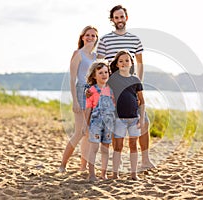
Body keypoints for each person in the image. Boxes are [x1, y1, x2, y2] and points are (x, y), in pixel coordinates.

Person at [97, 4, 155, 170]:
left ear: (126, 18)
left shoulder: (135, 39)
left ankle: (145, 160)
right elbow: (99, 64)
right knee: (115, 123)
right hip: (112, 87)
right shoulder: (105, 40)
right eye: (116, 17)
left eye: (122, 17)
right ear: (112, 20)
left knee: (144, 121)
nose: (119, 20)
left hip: (131, 87)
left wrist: (138, 87)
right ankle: (117, 160)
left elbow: (140, 63)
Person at [58, 25, 98, 173]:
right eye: (87, 35)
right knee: (79, 132)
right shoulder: (78, 53)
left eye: (93, 36)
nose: (90, 38)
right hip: (81, 91)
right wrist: (74, 100)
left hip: (93, 94)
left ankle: (83, 167)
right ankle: (63, 164)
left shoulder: (95, 56)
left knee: (88, 133)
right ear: (82, 37)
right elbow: (72, 79)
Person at [108, 50, 145, 180]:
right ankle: (115, 174)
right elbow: (101, 88)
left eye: (127, 60)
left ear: (131, 63)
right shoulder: (112, 79)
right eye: (121, 61)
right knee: (118, 146)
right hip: (119, 119)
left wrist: (141, 118)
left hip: (134, 118)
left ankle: (134, 174)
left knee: (133, 145)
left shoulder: (135, 80)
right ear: (117, 64)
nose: (124, 63)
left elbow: (142, 101)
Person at [85, 61, 115, 181]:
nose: (104, 75)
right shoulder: (92, 90)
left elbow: (115, 107)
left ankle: (103, 174)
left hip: (109, 124)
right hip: (95, 124)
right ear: (94, 75)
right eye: (100, 73)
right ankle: (91, 174)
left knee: (105, 149)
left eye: (106, 72)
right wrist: (85, 125)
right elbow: (88, 109)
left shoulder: (111, 90)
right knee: (94, 148)